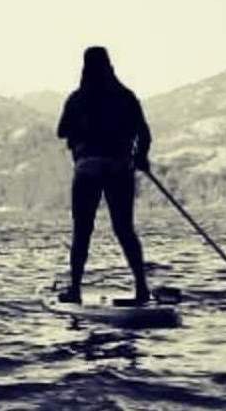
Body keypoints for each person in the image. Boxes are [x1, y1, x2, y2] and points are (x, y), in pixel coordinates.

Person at [56, 46, 152, 304]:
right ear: (110, 66)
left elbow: (61, 131)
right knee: (124, 229)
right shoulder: (126, 96)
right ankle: (142, 289)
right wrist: (141, 157)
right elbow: (144, 133)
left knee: (82, 230)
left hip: (87, 168)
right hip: (120, 167)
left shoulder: (77, 99)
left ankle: (75, 290)